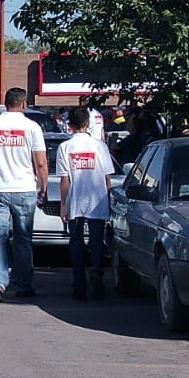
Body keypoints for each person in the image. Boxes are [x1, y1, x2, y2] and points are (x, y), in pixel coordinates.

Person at [0, 88, 48, 302]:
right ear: (24, 104)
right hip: (24, 188)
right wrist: (42, 185)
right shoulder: (32, 127)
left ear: (4, 103)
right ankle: (23, 284)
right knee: (23, 238)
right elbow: (41, 162)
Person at [56, 106, 115, 301]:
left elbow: (64, 179)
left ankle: (79, 283)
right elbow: (107, 178)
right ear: (88, 124)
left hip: (75, 201)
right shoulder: (100, 146)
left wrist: (63, 204)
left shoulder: (65, 147)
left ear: (69, 125)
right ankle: (97, 275)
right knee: (97, 242)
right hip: (97, 200)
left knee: (76, 243)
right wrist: (107, 198)